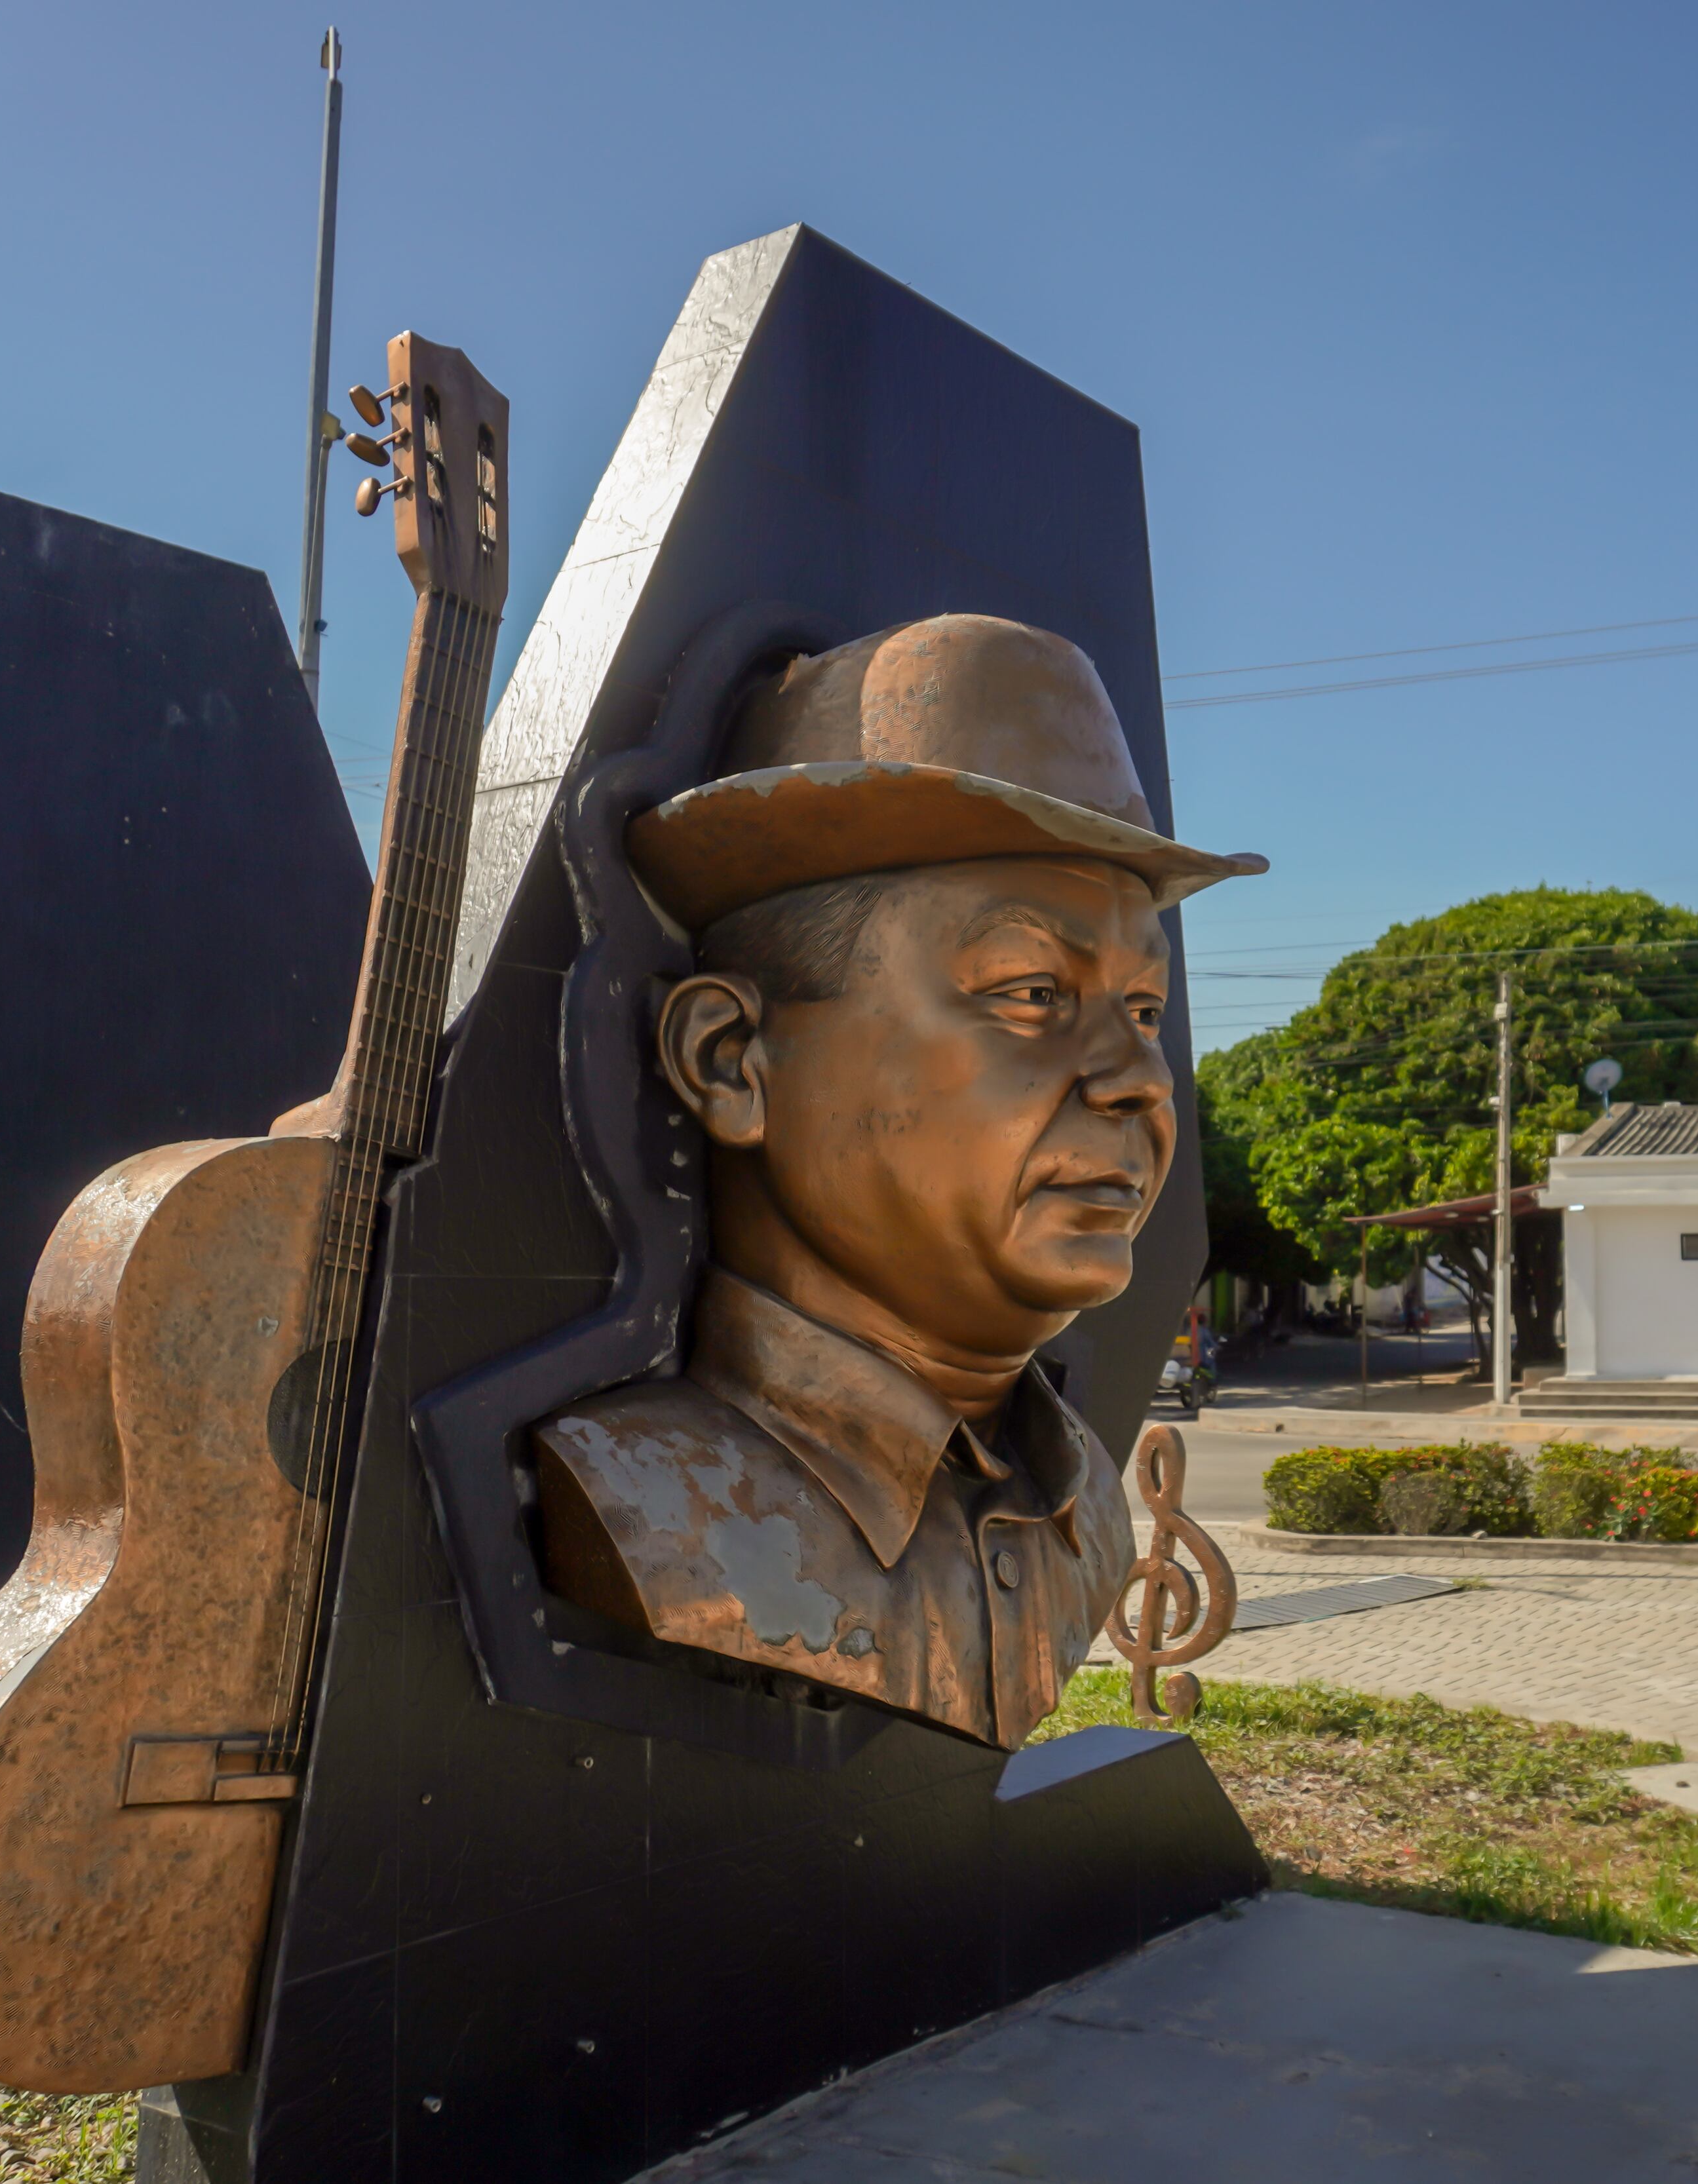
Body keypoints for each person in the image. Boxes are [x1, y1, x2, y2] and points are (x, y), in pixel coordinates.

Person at [525, 615, 1264, 1748]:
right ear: (730, 1061)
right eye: (1030, 991)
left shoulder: (1092, 1510)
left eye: (1146, 1010)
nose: (1136, 1080)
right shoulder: (643, 1503)